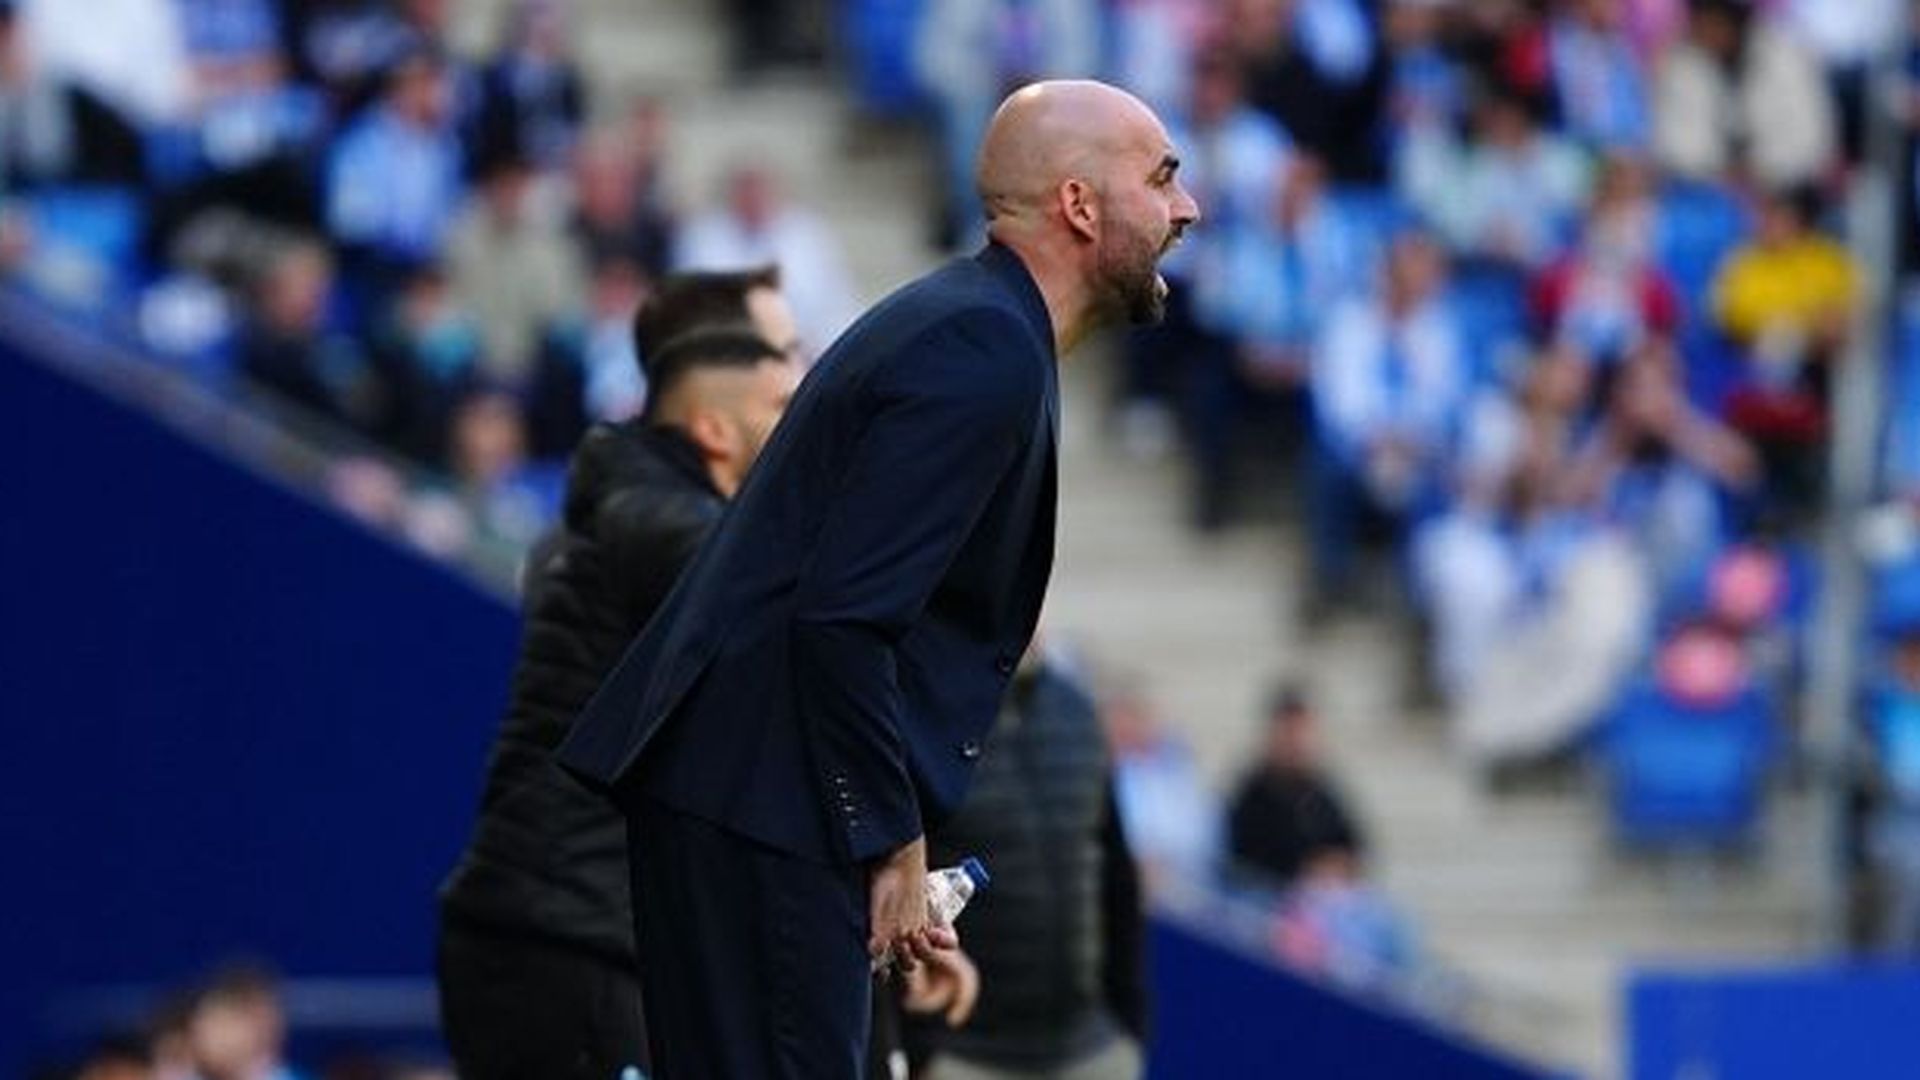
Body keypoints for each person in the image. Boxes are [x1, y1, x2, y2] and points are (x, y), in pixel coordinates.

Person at [556, 79, 1198, 1078]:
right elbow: (844, 618)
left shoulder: (980, 328)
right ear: (1079, 204)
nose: (1185, 208)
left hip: (755, 799)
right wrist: (892, 845)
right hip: (762, 806)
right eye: (1161, 178)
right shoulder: (985, 347)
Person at [436, 276, 803, 1080]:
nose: (804, 431)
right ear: (713, 428)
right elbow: (803, 641)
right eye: (783, 407)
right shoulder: (670, 528)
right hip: (567, 945)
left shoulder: (627, 512)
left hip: (550, 933)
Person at [911, 643, 1150, 1080]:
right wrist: (921, 1050)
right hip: (967, 1052)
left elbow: (1116, 878)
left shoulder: (1075, 706)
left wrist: (1130, 1028)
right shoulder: (923, 708)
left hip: (1091, 1048)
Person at [1225, 686, 1365, 890]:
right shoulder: (1252, 793)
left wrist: (1335, 866)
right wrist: (1307, 872)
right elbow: (1247, 860)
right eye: (1289, 732)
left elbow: (1351, 847)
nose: (1296, 742)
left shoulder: (1321, 790)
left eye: (1302, 732)